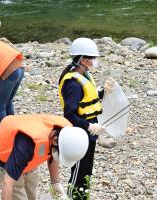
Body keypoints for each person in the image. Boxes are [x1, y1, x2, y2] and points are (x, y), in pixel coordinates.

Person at [58, 38, 115, 199]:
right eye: (92, 58)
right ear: (83, 60)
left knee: (86, 169)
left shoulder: (84, 75)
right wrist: (88, 126)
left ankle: (82, 196)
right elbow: (69, 114)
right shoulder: (73, 84)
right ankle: (72, 196)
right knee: (79, 169)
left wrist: (104, 92)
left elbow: (89, 99)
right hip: (80, 132)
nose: (95, 61)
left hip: (89, 131)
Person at [0, 114, 89, 200]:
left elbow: (54, 155)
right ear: (55, 140)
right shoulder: (27, 145)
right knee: (17, 191)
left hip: (28, 157)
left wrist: (55, 183)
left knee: (32, 187)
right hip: (6, 154)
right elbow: (7, 183)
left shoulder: (65, 132)